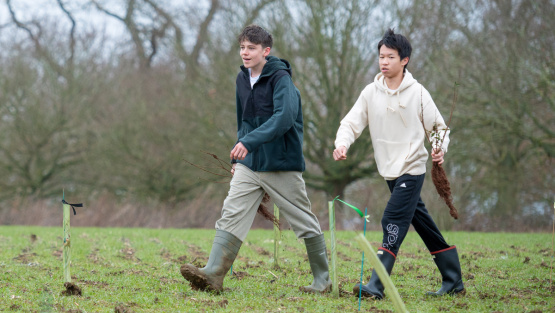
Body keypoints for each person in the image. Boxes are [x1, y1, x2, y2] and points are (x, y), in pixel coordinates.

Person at [180, 24, 331, 294]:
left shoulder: (281, 79)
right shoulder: (241, 80)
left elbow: (283, 120)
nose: (245, 53)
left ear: (266, 51)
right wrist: (239, 158)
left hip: (281, 164)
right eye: (242, 48)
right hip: (250, 165)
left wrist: (248, 143)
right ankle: (213, 275)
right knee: (231, 212)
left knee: (303, 221)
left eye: (251, 48)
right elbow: (244, 122)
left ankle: (322, 280)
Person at [332, 28, 465, 299]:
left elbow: (439, 127)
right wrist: (342, 143)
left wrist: (438, 148)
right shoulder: (371, 92)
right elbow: (351, 122)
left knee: (392, 218)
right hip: (388, 171)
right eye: (381, 56)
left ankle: (376, 285)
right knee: (423, 223)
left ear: (404, 60)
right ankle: (453, 280)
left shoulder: (418, 93)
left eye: (390, 57)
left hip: (411, 168)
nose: (384, 62)